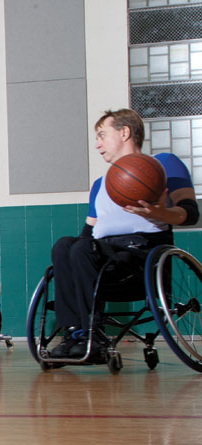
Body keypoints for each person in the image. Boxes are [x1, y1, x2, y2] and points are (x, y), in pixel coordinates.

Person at [49, 108, 199, 359]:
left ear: (125, 132)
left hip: (142, 256)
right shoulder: (100, 184)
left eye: (101, 135)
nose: (97, 145)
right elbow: (87, 234)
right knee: (65, 245)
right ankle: (74, 332)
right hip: (102, 257)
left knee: (81, 248)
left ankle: (93, 335)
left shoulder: (164, 164)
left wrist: (160, 214)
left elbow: (191, 212)